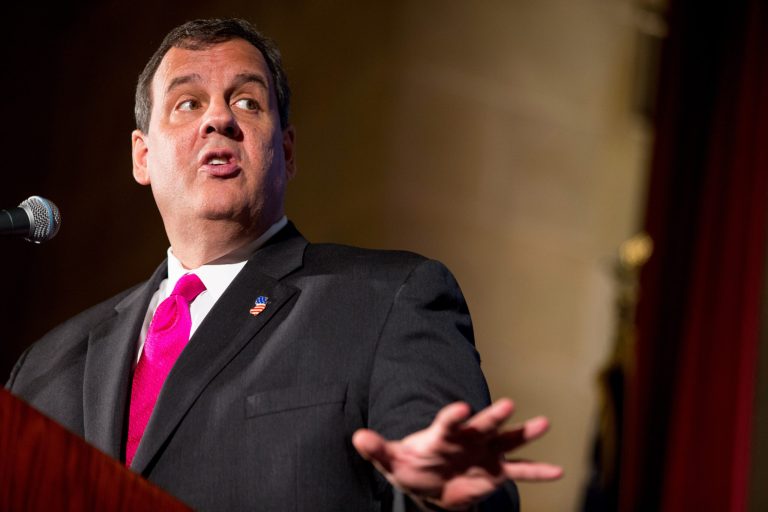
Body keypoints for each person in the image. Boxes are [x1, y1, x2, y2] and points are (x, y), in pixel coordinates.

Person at [5, 18, 562, 511]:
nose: (218, 118)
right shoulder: (45, 368)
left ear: (287, 151)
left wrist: (443, 498)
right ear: (142, 156)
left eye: (247, 102)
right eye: (188, 103)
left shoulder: (386, 301)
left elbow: (463, 481)